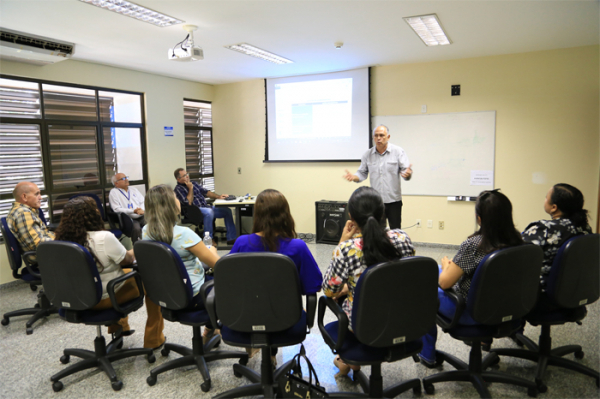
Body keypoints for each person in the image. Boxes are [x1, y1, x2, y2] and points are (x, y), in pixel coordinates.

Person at [418, 189, 523, 368]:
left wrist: (447, 266)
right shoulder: (518, 241)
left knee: (422, 287)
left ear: (480, 219)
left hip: (469, 311)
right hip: (504, 308)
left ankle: (427, 354)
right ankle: (483, 340)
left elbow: (444, 283)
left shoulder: (474, 245)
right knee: (433, 271)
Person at [322, 186, 415, 377]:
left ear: (351, 217)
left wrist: (341, 242)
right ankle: (349, 362)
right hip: (402, 318)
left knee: (343, 294)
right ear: (383, 212)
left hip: (362, 327)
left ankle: (347, 360)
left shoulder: (347, 249)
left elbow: (329, 290)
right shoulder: (403, 238)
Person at [53, 197, 165, 349]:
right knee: (152, 281)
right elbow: (127, 260)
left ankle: (120, 326)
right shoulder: (103, 238)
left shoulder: (60, 240)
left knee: (120, 273)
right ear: (93, 214)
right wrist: (139, 246)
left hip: (75, 297)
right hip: (102, 299)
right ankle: (154, 339)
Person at [230, 188, 323, 361]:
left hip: (244, 316)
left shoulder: (241, 243)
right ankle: (271, 355)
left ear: (257, 215)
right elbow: (313, 286)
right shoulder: (298, 247)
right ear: (285, 214)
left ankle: (263, 352)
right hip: (286, 320)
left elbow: (229, 283)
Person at [142, 184, 220, 344]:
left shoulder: (146, 231)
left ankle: (210, 329)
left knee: (206, 275)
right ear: (170, 206)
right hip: (193, 297)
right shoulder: (184, 234)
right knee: (225, 283)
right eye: (176, 198)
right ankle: (214, 328)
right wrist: (212, 249)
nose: (179, 200)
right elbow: (218, 264)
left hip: (165, 295)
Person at [522, 183, 592, 292]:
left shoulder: (543, 228)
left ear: (554, 207)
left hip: (541, 292)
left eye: (546, 197)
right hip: (573, 289)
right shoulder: (585, 228)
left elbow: (516, 258)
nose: (544, 200)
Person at [343, 125, 413, 229]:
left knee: (396, 230)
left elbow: (405, 172)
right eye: (376, 135)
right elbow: (362, 173)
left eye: (381, 135)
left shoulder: (398, 152)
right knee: (377, 231)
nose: (378, 138)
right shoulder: (368, 154)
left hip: (393, 201)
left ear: (388, 137)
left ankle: (394, 246)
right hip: (376, 201)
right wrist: (354, 177)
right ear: (373, 137)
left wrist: (408, 174)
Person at [173, 168, 237, 246]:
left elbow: (206, 192)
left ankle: (231, 238)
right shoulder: (178, 189)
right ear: (178, 179)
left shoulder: (194, 183)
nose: (187, 176)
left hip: (205, 207)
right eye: (184, 175)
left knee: (226, 211)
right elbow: (189, 202)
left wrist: (218, 196)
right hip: (193, 212)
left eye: (187, 174)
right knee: (208, 212)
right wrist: (190, 188)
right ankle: (208, 239)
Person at [7, 182, 55, 253]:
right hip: (44, 256)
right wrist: (61, 240)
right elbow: (38, 243)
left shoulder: (20, 210)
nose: (40, 197)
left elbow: (42, 235)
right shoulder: (23, 213)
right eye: (36, 194)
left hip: (46, 252)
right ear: (24, 197)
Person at [108, 173, 146, 243]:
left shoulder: (133, 189)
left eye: (126, 177)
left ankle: (153, 244)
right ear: (116, 183)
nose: (126, 180)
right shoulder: (113, 192)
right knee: (136, 229)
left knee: (153, 223)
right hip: (128, 218)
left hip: (141, 215)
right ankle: (136, 248)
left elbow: (142, 201)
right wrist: (132, 211)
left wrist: (142, 210)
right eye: (123, 179)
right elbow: (116, 209)